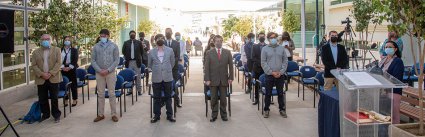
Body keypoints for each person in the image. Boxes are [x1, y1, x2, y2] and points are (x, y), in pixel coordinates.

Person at [32, 34, 62, 123]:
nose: (45, 40)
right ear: (41, 41)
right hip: (41, 79)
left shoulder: (57, 50)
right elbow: (34, 65)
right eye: (43, 39)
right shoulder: (36, 52)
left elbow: (58, 63)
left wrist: (50, 73)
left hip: (53, 77)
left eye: (47, 39)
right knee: (42, 98)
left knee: (54, 98)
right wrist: (42, 74)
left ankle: (56, 115)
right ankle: (45, 114)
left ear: (51, 40)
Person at [92, 29, 120, 122]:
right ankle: (100, 114)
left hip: (110, 73)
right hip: (99, 73)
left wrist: (108, 70)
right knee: (100, 94)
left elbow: (116, 60)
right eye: (101, 36)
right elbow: (93, 60)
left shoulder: (114, 46)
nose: (102, 37)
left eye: (104, 36)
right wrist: (100, 70)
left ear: (108, 36)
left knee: (112, 93)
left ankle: (114, 114)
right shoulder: (96, 46)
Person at [204, 35, 234, 122]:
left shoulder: (227, 52)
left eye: (220, 41)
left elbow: (231, 67)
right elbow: (207, 68)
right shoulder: (209, 53)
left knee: (223, 99)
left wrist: (231, 77)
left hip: (224, 80)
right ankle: (214, 115)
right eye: (217, 41)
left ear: (222, 42)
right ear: (214, 42)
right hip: (212, 80)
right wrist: (207, 79)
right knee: (213, 99)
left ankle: (224, 115)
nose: (219, 42)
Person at [149, 34, 176, 123]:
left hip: (167, 77)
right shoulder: (151, 52)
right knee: (157, 98)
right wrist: (158, 70)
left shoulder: (170, 50)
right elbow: (149, 64)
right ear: (155, 40)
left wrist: (166, 70)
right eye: (158, 38)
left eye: (162, 38)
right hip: (156, 78)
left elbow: (172, 62)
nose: (160, 40)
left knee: (168, 97)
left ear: (164, 40)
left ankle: (170, 115)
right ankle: (156, 116)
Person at [261, 32, 288, 118]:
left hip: (280, 75)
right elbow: (263, 62)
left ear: (277, 38)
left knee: (280, 93)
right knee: (268, 93)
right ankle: (266, 110)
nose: (273, 39)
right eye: (271, 38)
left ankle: (282, 109)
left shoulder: (281, 48)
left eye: (274, 37)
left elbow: (285, 61)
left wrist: (281, 72)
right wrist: (271, 72)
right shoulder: (264, 49)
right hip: (269, 75)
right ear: (268, 39)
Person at [378, 41, 404, 124]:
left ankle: (395, 132)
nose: (387, 49)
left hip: (394, 92)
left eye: (390, 47)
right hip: (383, 92)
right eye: (386, 47)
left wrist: (383, 77)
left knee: (394, 115)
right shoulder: (383, 60)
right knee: (385, 115)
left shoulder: (398, 61)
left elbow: (397, 78)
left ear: (395, 49)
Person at [122, 30, 146, 96]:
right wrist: (128, 56)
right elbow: (123, 51)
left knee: (138, 77)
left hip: (136, 62)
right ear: (129, 35)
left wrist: (138, 57)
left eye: (133, 34)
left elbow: (141, 52)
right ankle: (130, 90)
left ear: (135, 35)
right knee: (130, 77)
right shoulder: (126, 43)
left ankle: (139, 90)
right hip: (129, 62)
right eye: (131, 34)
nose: (132, 35)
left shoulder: (139, 42)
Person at [164, 28, 182, 108]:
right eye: (166, 32)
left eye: (169, 32)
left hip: (174, 68)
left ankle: (177, 101)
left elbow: (177, 56)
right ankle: (165, 101)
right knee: (165, 85)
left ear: (171, 33)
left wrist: (172, 63)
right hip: (164, 69)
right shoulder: (162, 43)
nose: (167, 33)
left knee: (174, 85)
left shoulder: (176, 43)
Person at [61, 36, 79, 107]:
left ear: (71, 42)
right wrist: (62, 67)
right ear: (63, 41)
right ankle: (66, 99)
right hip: (63, 69)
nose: (67, 41)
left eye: (68, 40)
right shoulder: (60, 49)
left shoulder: (74, 50)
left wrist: (69, 68)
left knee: (73, 85)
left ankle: (75, 99)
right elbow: (58, 59)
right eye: (66, 40)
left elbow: (75, 60)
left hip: (72, 69)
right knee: (65, 85)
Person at [251, 32, 266, 105]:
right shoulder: (255, 46)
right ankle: (257, 99)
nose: (262, 38)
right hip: (257, 68)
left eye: (263, 36)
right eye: (260, 36)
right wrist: (261, 63)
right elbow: (253, 57)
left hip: (266, 69)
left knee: (267, 83)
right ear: (258, 37)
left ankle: (267, 98)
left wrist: (265, 64)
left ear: (265, 37)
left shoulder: (268, 46)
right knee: (257, 84)